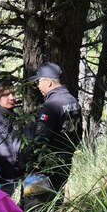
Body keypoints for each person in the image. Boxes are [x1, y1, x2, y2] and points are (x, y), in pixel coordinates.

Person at [29, 62, 83, 191]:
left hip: (47, 166)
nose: (37, 86)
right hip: (65, 162)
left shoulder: (51, 105)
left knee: (35, 206)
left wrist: (32, 164)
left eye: (38, 82)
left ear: (48, 82)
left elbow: (40, 141)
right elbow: (78, 133)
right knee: (55, 202)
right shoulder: (72, 100)